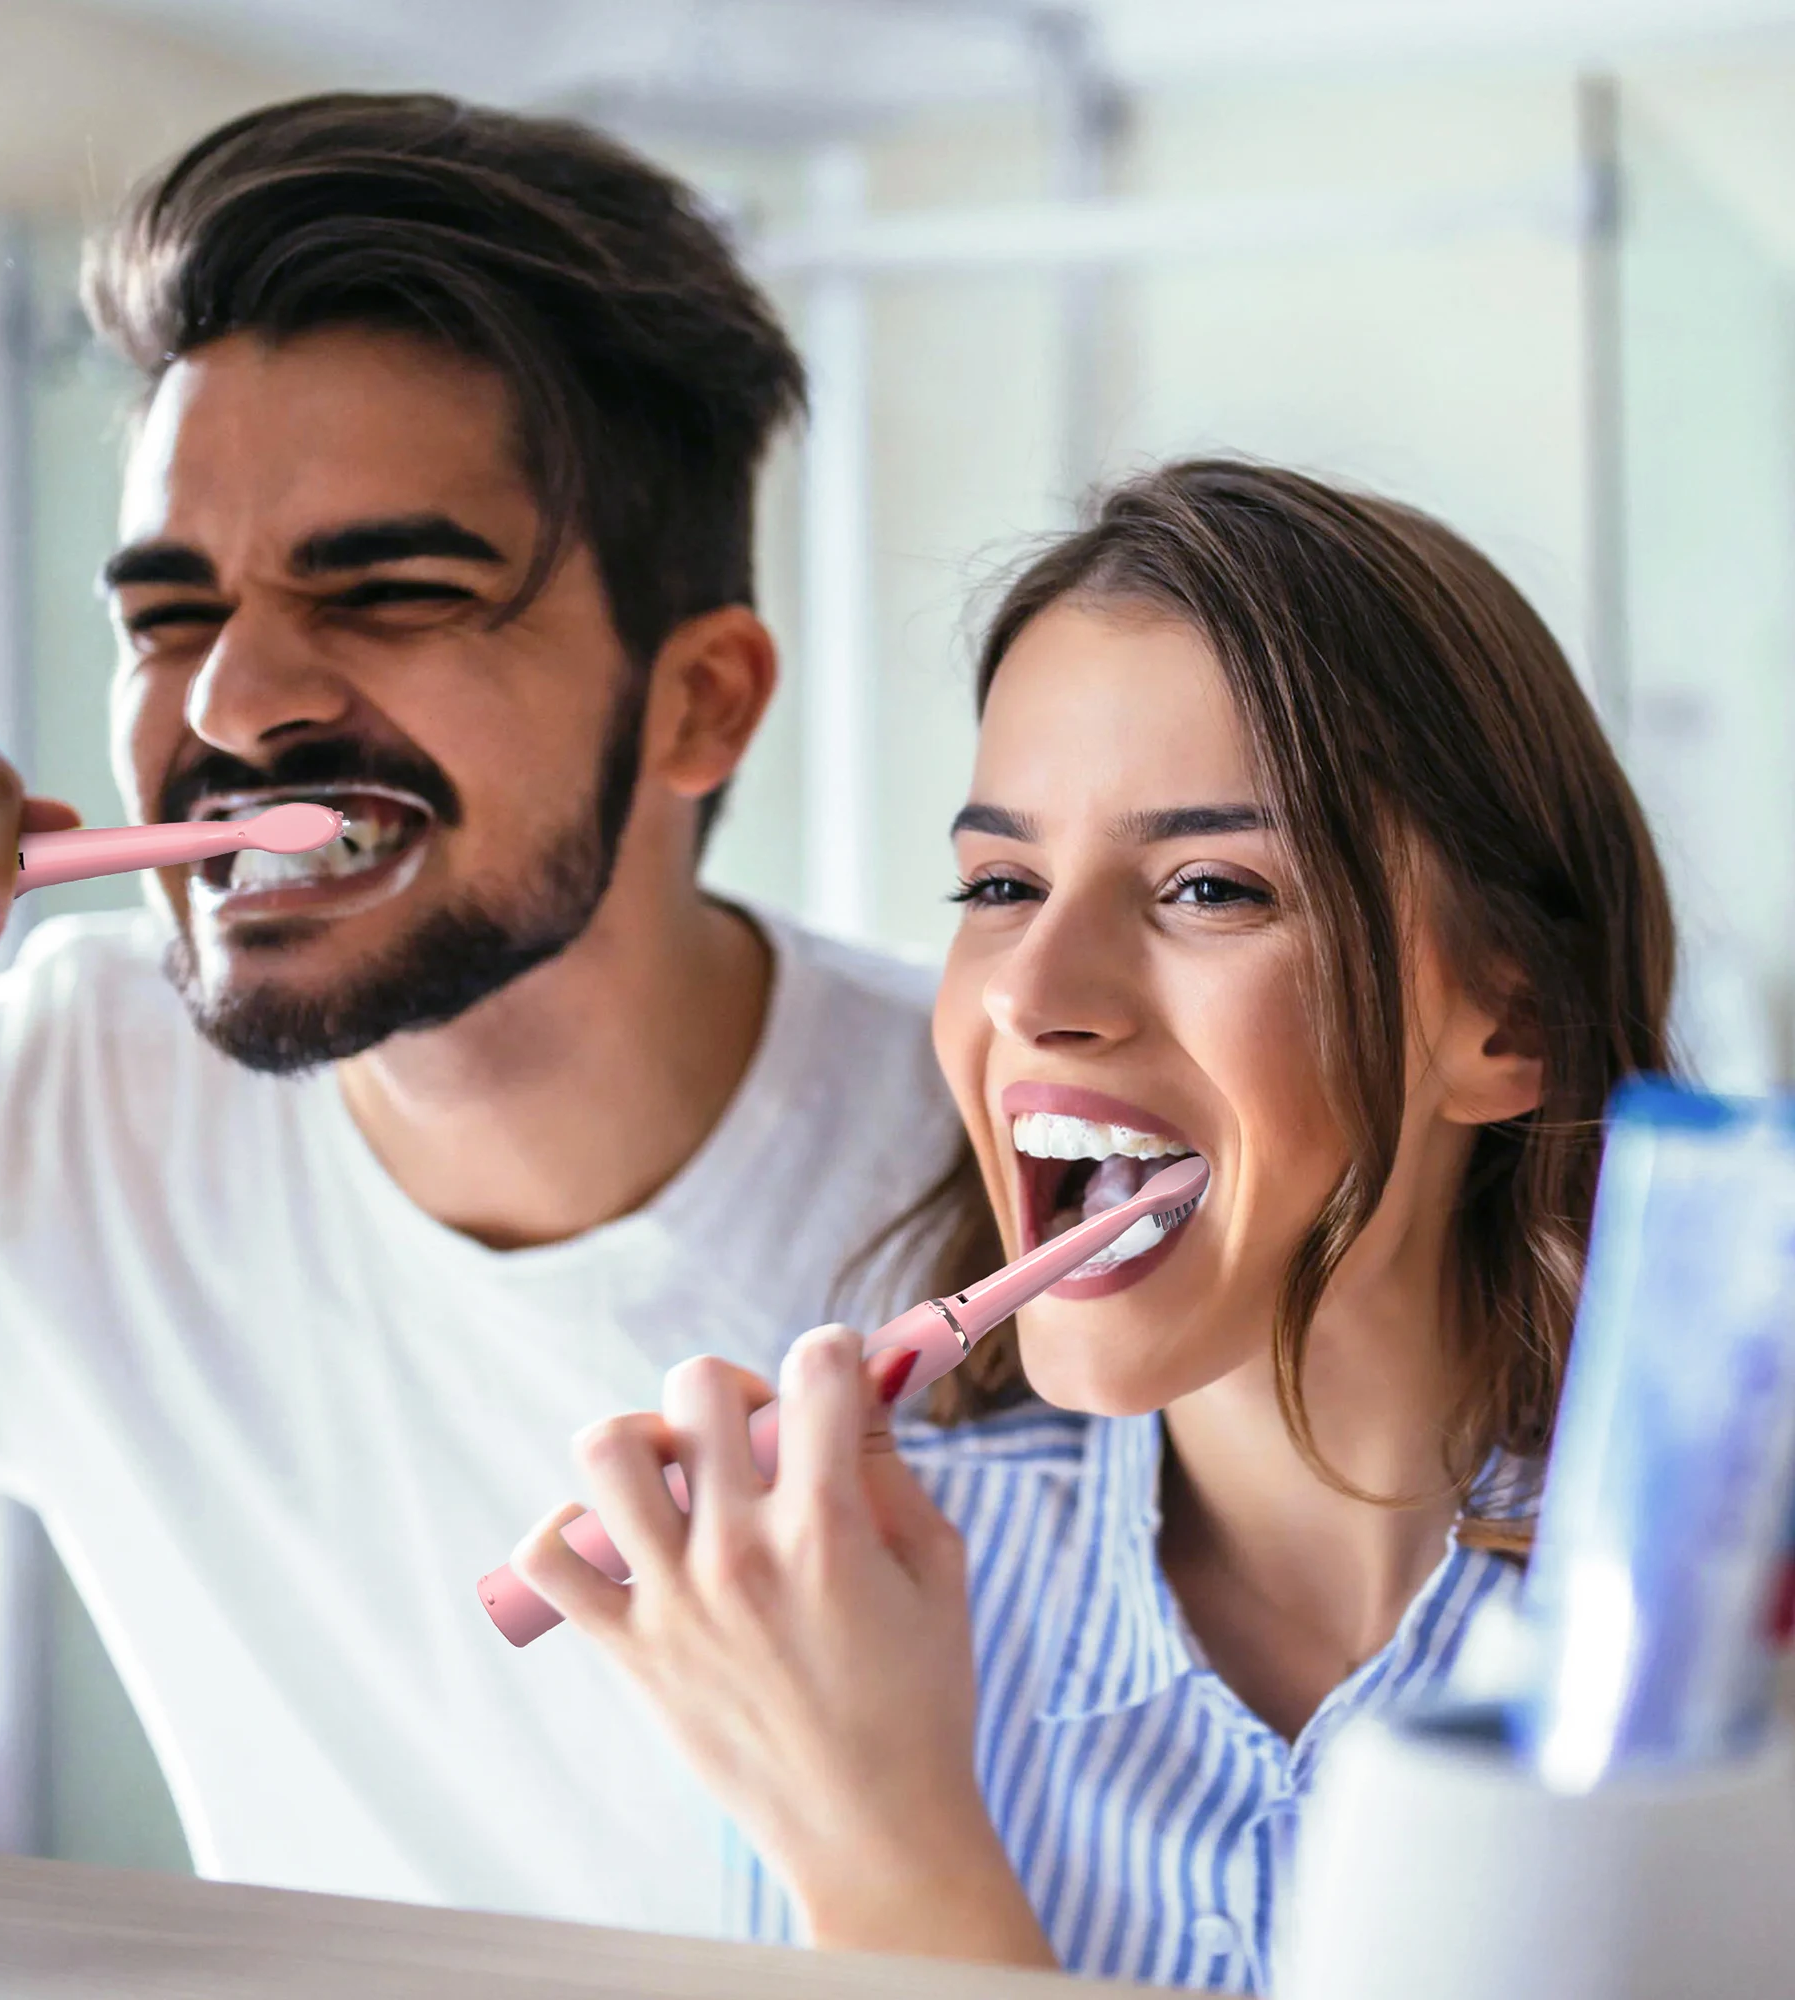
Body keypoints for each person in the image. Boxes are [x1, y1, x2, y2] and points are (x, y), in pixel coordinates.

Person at [0, 94, 958, 1933]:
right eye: (171, 616)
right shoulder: (43, 1111)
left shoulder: (1010, 1192)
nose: (238, 702)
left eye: (393, 589)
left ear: (700, 708)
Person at [514, 460, 1676, 1992]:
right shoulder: (846, 1622)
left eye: (1208, 887)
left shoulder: (1714, 1640)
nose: (1033, 995)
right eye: (1000, 881)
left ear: (1507, 1016)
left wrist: (890, 1857)